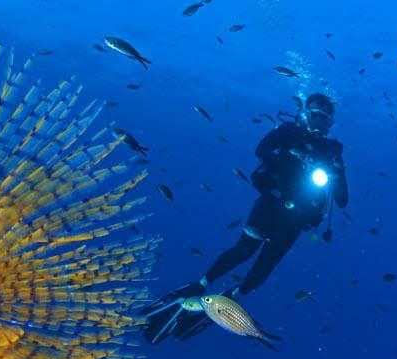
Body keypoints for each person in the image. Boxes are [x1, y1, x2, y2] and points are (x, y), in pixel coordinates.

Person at [142, 93, 349, 344]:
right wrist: (289, 155)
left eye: (325, 118)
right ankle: (201, 284)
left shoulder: (332, 151)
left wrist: (335, 173)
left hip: (297, 218)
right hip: (270, 203)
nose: (319, 122)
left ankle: (232, 298)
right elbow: (260, 150)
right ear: (305, 114)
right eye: (315, 115)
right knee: (243, 250)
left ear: (330, 123)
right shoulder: (288, 132)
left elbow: (342, 199)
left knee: (265, 266)